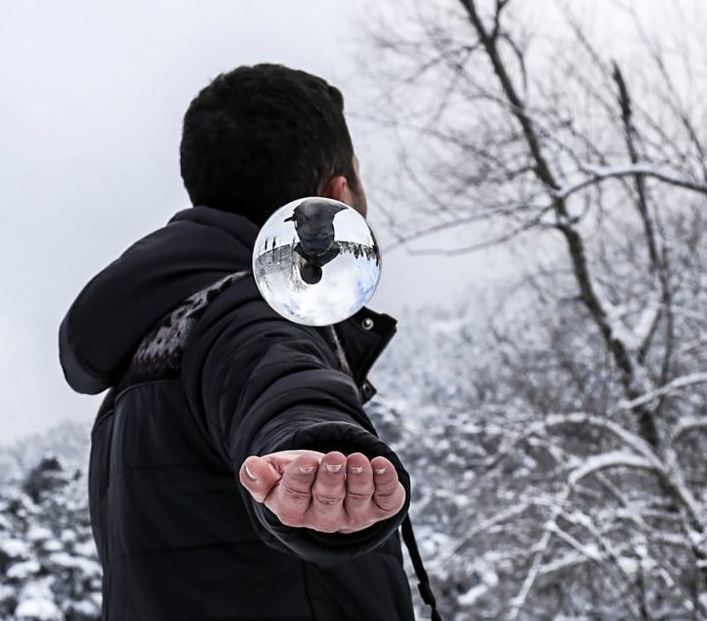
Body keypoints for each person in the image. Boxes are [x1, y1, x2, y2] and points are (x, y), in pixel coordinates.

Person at [58, 63, 442, 621]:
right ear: (335, 198)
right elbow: (275, 377)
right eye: (359, 179)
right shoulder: (255, 309)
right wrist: (311, 447)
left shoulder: (150, 350)